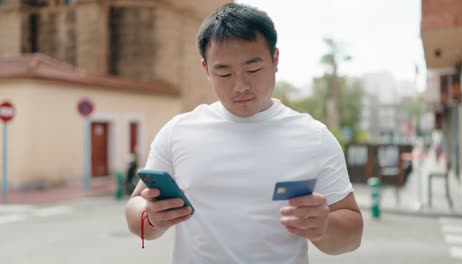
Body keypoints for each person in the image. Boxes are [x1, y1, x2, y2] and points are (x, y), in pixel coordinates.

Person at [125, 3, 363, 263]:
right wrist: (151, 217)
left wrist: (324, 225)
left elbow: (352, 234)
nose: (240, 86)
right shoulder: (177, 132)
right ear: (206, 69)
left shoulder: (314, 137)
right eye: (224, 72)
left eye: (253, 70)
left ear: (275, 60)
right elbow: (136, 210)